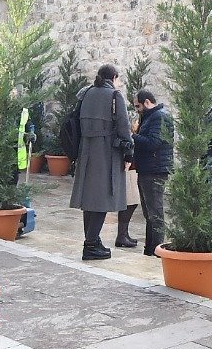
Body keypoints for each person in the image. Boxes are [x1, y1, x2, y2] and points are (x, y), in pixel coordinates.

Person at [69, 64, 132, 260]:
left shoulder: (85, 93)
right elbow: (124, 125)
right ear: (113, 77)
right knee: (102, 198)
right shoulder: (114, 96)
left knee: (89, 199)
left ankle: (93, 241)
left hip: (86, 150)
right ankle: (91, 244)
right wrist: (129, 152)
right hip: (106, 151)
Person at [127, 89, 173, 257]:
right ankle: (150, 249)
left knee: (155, 213)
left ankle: (158, 250)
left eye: (138, 106)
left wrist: (133, 135)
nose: (137, 109)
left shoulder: (159, 117)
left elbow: (153, 143)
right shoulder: (150, 117)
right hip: (147, 169)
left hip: (155, 170)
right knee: (149, 213)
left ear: (147, 102)